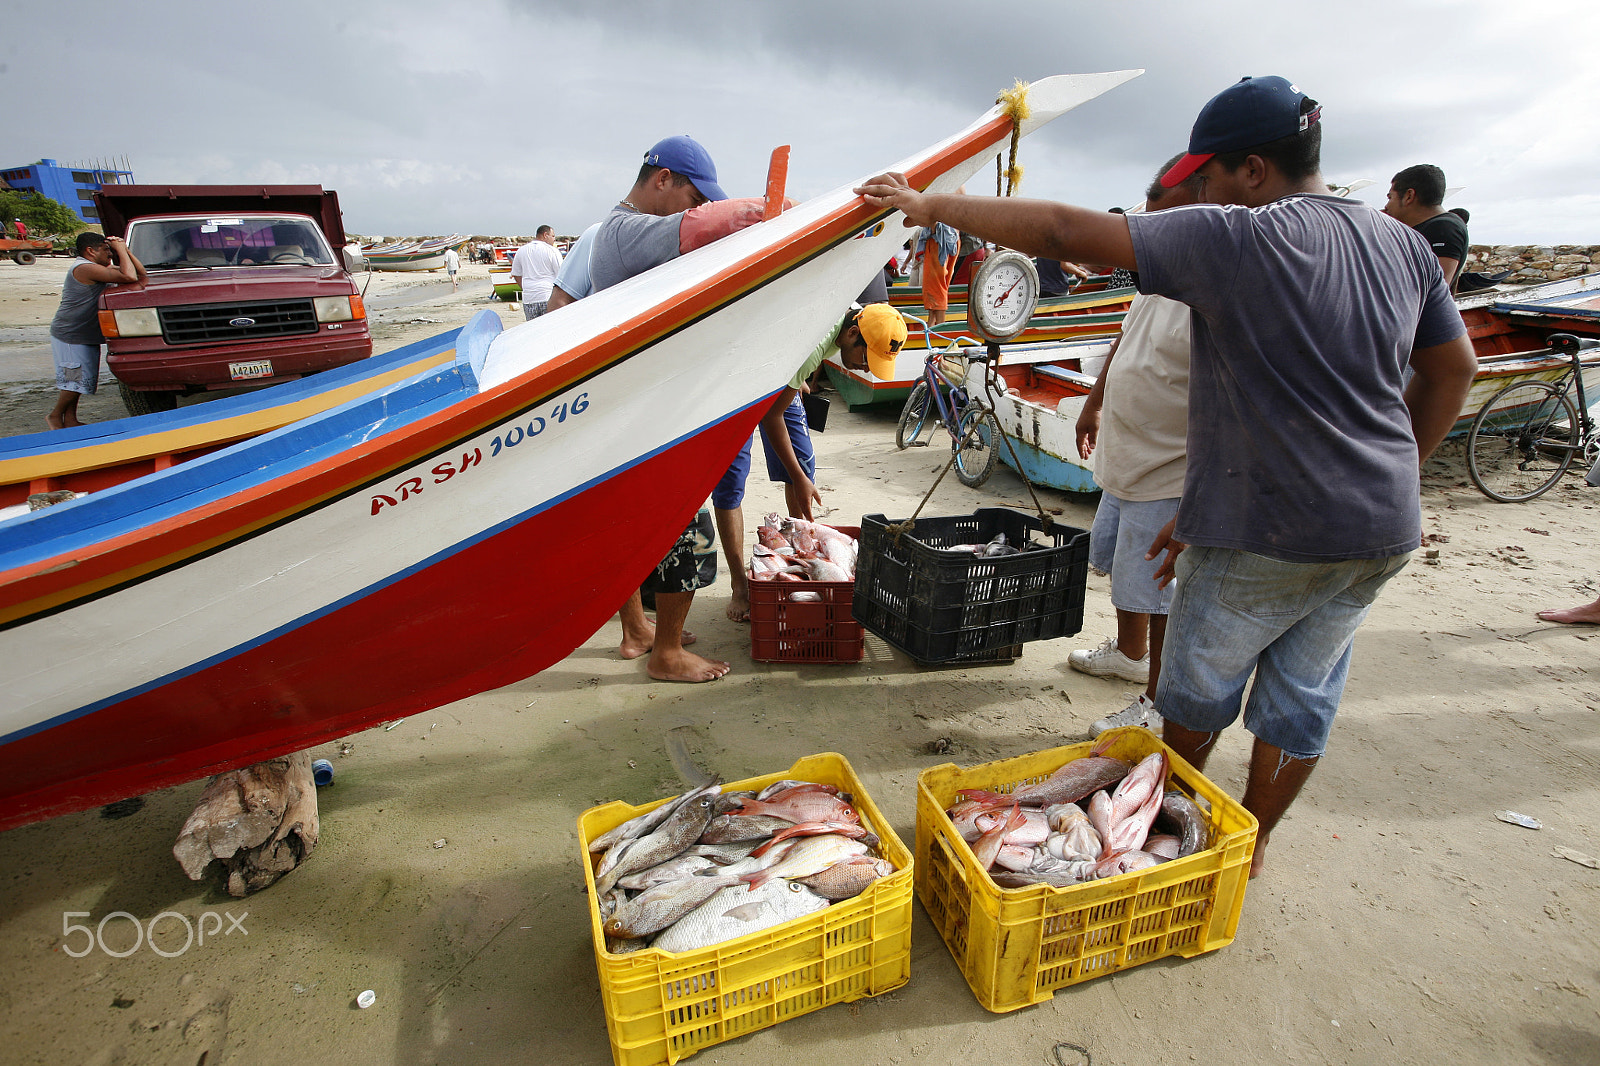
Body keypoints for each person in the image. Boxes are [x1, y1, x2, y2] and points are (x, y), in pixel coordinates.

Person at [857, 74, 1477, 879]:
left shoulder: (1242, 236)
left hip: (1268, 533)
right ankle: (1248, 847)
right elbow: (1453, 371)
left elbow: (1059, 228)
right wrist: (1397, 476)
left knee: (1192, 697)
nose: (1203, 195)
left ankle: (1163, 842)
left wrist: (932, 205)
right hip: (1378, 533)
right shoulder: (1405, 246)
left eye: (1210, 177)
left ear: (1253, 170)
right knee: (1302, 700)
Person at [588, 134, 771, 681]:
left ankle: (636, 629)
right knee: (686, 534)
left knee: (632, 533)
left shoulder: (616, 234)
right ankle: (666, 653)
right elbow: (704, 227)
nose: (697, 208)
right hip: (650, 419)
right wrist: (780, 214)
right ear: (662, 179)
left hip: (630, 412)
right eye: (694, 196)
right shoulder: (624, 232)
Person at [1068, 155, 1203, 736]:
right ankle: (1128, 655)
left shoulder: (1212, 292)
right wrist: (1093, 400)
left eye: (1163, 223)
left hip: (1170, 471)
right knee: (1123, 571)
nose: (1149, 239)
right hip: (1126, 456)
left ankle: (1156, 702)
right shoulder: (1155, 280)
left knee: (1161, 590)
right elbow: (1126, 340)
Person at [715, 301, 906, 621]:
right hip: (740, 378)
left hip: (781, 369)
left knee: (803, 463)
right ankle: (739, 584)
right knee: (731, 481)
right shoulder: (814, 342)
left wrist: (796, 377)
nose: (867, 367)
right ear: (852, 333)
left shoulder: (851, 313)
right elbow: (773, 415)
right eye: (866, 357)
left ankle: (799, 559)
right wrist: (800, 478)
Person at [47, 232, 147, 430]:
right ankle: (55, 416)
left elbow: (140, 274)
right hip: (70, 334)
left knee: (81, 379)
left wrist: (124, 250)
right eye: (106, 250)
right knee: (73, 379)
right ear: (90, 251)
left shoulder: (99, 268)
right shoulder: (84, 268)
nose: (110, 255)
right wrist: (119, 249)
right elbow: (128, 276)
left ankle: (71, 419)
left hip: (84, 333)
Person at [1383, 164, 1469, 293]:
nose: (1386, 206)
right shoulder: (1432, 227)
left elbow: (1434, 291)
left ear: (1409, 196)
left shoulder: (1444, 229)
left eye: (1390, 198)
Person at [511, 224, 562, 320]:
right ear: (545, 235)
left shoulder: (521, 250)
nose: (554, 239)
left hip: (529, 298)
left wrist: (526, 287)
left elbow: (516, 274)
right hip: (547, 296)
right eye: (553, 236)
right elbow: (561, 275)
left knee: (533, 330)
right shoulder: (552, 251)